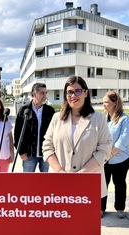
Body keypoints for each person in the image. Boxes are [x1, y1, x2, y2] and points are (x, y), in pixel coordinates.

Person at [42, 76, 112, 212]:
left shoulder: (99, 118)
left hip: (88, 184)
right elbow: (47, 146)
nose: (73, 96)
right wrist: (60, 171)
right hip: (59, 184)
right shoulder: (57, 118)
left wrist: (81, 175)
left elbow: (105, 150)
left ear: (86, 93)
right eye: (69, 92)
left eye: (77, 91)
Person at [101, 91, 129, 219]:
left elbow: (122, 141)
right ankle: (100, 208)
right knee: (103, 184)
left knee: (119, 183)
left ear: (114, 103)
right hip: (103, 159)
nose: (103, 105)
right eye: (103, 102)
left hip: (120, 159)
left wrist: (109, 154)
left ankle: (120, 208)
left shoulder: (124, 119)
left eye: (106, 102)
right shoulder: (102, 119)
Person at [14, 83, 55, 172]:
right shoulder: (24, 110)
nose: (45, 95)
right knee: (27, 183)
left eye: (46, 93)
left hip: (45, 154)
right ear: (34, 94)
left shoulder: (50, 111)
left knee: (44, 183)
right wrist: (21, 152)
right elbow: (17, 133)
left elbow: (54, 133)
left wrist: (52, 151)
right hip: (28, 155)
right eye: (42, 93)